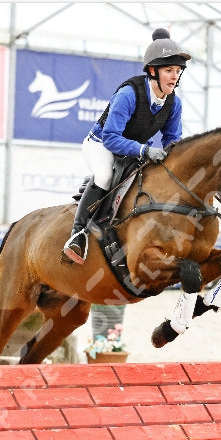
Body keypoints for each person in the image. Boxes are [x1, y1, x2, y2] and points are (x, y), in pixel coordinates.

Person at [62, 28, 191, 264]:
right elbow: (111, 138)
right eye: (169, 70)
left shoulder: (174, 104)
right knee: (103, 176)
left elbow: (173, 139)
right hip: (101, 145)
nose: (174, 76)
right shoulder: (128, 94)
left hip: (133, 150)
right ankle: (77, 235)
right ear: (153, 71)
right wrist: (144, 150)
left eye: (177, 71)